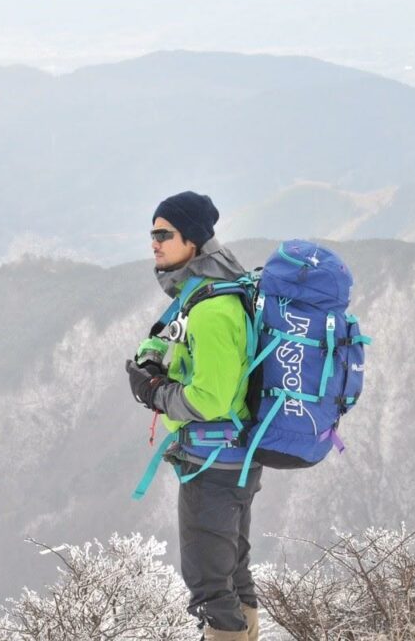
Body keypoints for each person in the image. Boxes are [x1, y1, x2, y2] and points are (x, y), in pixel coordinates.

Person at [125, 190, 261, 641]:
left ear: (194, 239)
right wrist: (154, 357)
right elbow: (188, 350)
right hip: (231, 459)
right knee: (231, 574)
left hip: (213, 464)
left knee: (209, 585)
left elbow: (210, 400)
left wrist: (155, 393)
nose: (154, 243)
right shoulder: (208, 291)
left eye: (164, 234)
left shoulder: (212, 309)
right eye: (152, 234)